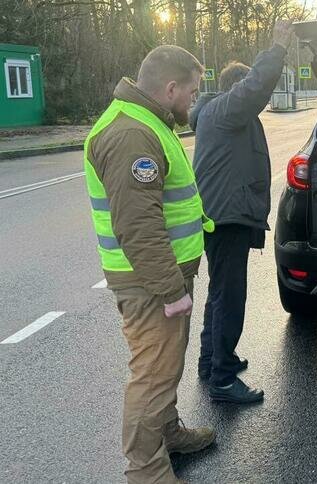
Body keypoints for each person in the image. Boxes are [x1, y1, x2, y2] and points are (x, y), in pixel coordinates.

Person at [84, 45, 215, 482]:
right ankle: (146, 471)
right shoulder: (131, 134)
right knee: (153, 375)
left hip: (160, 277)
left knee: (166, 366)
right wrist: (171, 290)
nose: (194, 100)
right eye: (192, 92)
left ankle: (168, 434)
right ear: (171, 88)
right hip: (151, 284)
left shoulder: (147, 121)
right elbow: (138, 226)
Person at [189, 20, 293, 404]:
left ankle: (212, 362)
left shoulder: (216, 114)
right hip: (226, 217)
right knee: (229, 297)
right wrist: (278, 47)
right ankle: (223, 380)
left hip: (221, 215)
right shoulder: (225, 109)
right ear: (236, 89)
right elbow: (255, 88)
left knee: (219, 293)